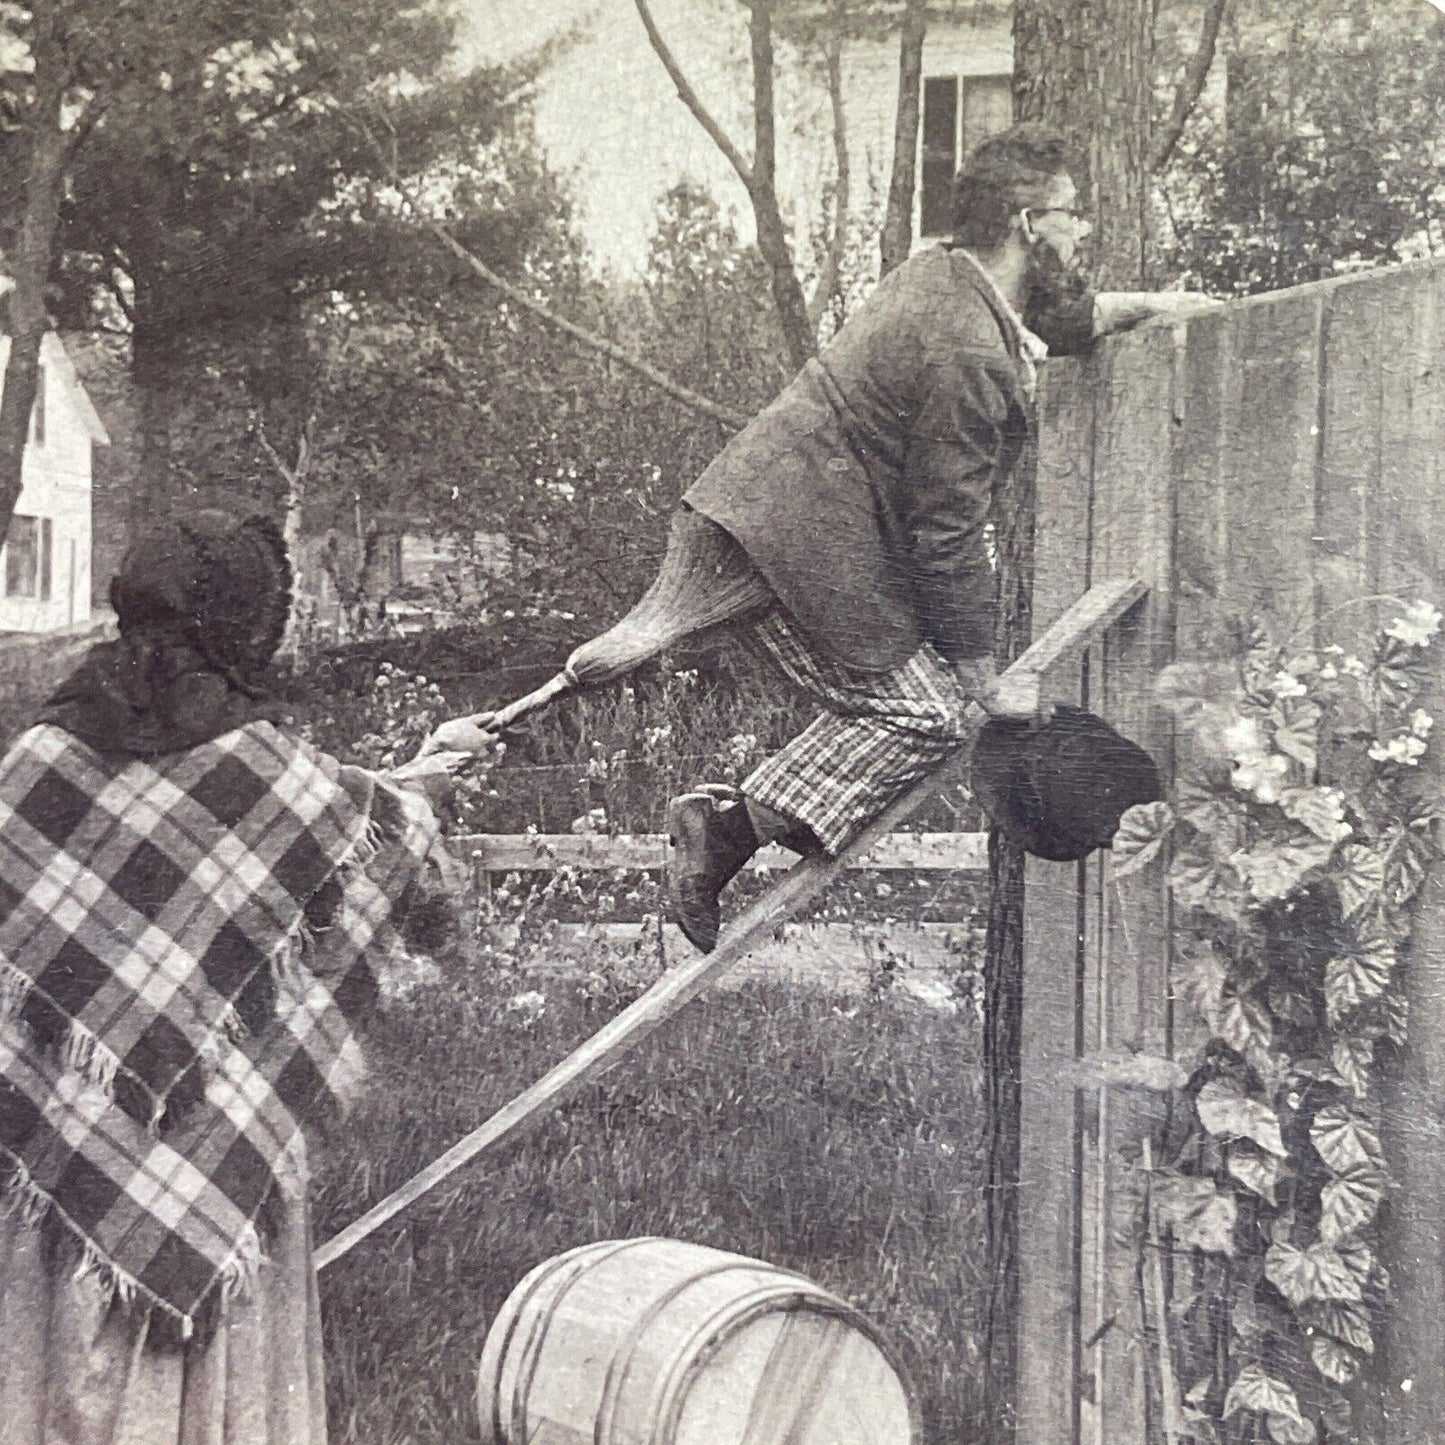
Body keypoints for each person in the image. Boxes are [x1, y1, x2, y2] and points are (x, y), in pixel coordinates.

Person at [434, 124, 1214, 952]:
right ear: (1027, 223)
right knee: (929, 716)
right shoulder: (965, 353)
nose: (1081, 229)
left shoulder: (945, 274)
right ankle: (725, 827)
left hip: (777, 519)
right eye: (1070, 214)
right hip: (785, 541)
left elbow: (1051, 316)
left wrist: (1158, 308)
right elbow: (946, 534)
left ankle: (727, 819)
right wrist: (987, 682)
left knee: (905, 703)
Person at [0, 511, 454, 1445]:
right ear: (248, 625)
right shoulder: (280, 776)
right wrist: (418, 786)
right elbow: (387, 838)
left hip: (56, 1155)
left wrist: (408, 776)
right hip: (226, 1154)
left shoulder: (36, 766)